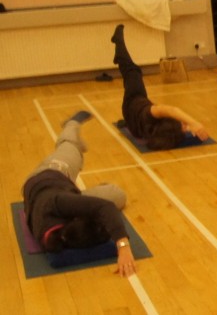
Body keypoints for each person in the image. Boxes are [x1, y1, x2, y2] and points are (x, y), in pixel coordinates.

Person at [23, 111, 136, 277]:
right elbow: (106, 207)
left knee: (70, 146)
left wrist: (123, 247)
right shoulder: (66, 235)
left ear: (77, 217)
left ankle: (71, 124)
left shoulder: (58, 204)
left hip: (51, 174)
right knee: (119, 196)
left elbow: (105, 208)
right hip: (61, 193)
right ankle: (95, 189)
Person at [112, 25, 209, 150]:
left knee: (132, 71)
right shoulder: (158, 134)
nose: (185, 127)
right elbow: (175, 130)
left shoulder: (150, 115)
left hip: (133, 100)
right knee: (132, 74)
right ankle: (125, 121)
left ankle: (118, 44)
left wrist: (194, 123)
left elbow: (171, 110)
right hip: (132, 122)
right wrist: (189, 128)